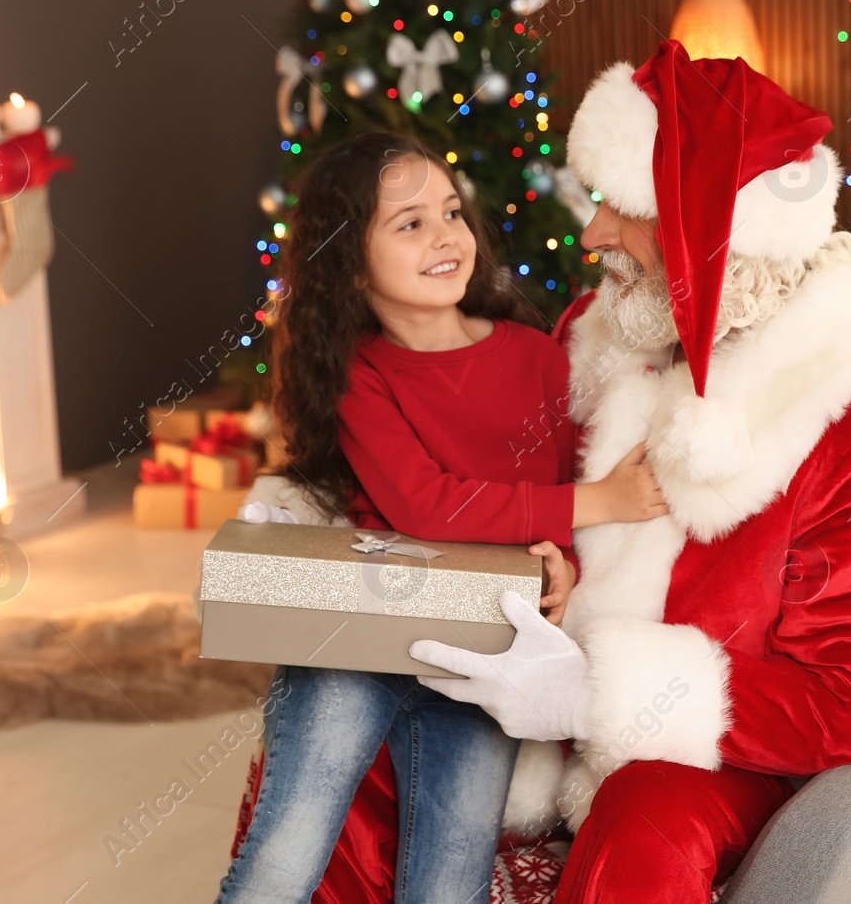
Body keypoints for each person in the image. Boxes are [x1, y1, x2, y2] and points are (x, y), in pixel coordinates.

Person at [405, 39, 851, 902]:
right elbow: (513, 492)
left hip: (723, 754)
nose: (591, 235)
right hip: (535, 714)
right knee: (364, 754)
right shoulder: (594, 334)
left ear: (714, 226)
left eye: (621, 208)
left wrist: (596, 694)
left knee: (645, 820)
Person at [212, 129, 668, 904]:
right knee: (285, 854)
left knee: (450, 885)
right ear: (351, 265)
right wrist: (594, 502)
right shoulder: (361, 376)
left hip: (484, 662)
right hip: (355, 644)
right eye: (409, 222)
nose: (444, 234)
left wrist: (568, 561)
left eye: (451, 211)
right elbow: (430, 503)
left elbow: (562, 498)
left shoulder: (535, 356)